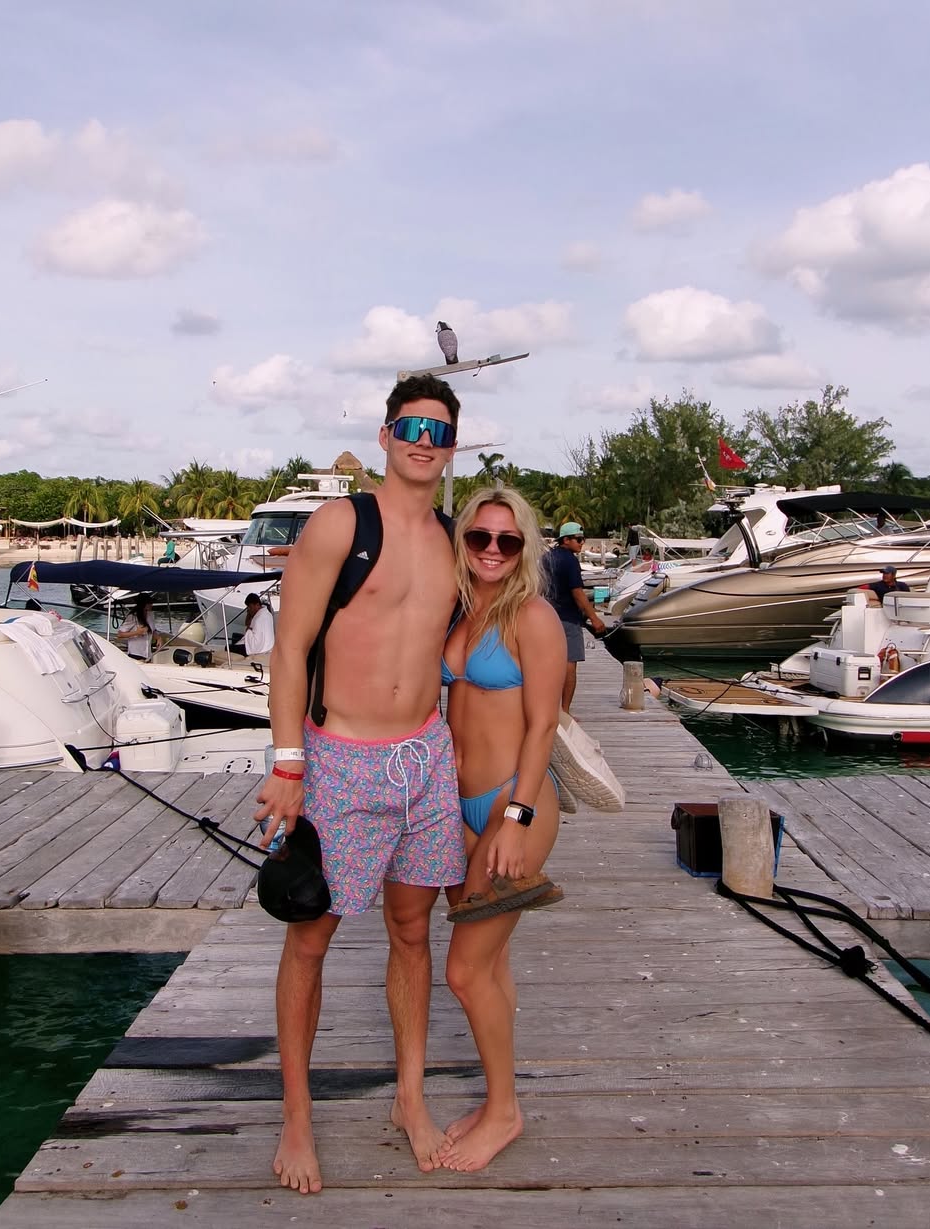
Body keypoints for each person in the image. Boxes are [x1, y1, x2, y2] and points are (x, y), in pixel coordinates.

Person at [253, 373, 468, 1194]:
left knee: (413, 930)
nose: (423, 441)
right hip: (340, 759)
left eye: (439, 431)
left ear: (452, 449)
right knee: (310, 936)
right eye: (411, 426)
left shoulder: (454, 541)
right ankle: (297, 1115)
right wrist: (288, 763)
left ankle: (409, 1097)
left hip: (425, 759)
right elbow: (289, 648)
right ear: (385, 436)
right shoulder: (342, 524)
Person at [440, 487, 566, 1173]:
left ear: (525, 548)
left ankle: (504, 1110)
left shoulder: (533, 617)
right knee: (490, 964)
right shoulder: (460, 611)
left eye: (507, 540)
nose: (492, 549)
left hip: (513, 802)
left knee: (464, 971)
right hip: (456, 805)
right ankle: (498, 1095)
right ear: (463, 540)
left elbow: (543, 724)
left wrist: (515, 819)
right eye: (480, 537)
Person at [541, 521, 606, 712]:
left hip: (546, 618)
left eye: (582, 539)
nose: (582, 543)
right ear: (566, 540)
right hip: (567, 618)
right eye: (578, 539)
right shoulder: (570, 561)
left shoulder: (546, 558)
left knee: (548, 664)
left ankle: (547, 708)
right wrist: (594, 618)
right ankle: (565, 711)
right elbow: (577, 593)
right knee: (570, 663)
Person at [116, 593, 161, 659]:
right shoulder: (133, 616)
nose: (151, 604)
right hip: (135, 654)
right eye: (149, 603)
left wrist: (158, 638)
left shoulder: (150, 615)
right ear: (142, 604)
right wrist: (137, 633)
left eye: (151, 602)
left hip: (147, 654)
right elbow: (120, 634)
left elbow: (152, 630)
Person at [230, 593, 275, 657]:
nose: (248, 609)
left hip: (257, 648)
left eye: (250, 607)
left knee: (228, 648)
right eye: (247, 607)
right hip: (267, 645)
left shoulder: (258, 618)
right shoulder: (268, 614)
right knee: (235, 636)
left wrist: (249, 631)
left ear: (257, 605)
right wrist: (250, 613)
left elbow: (248, 629)